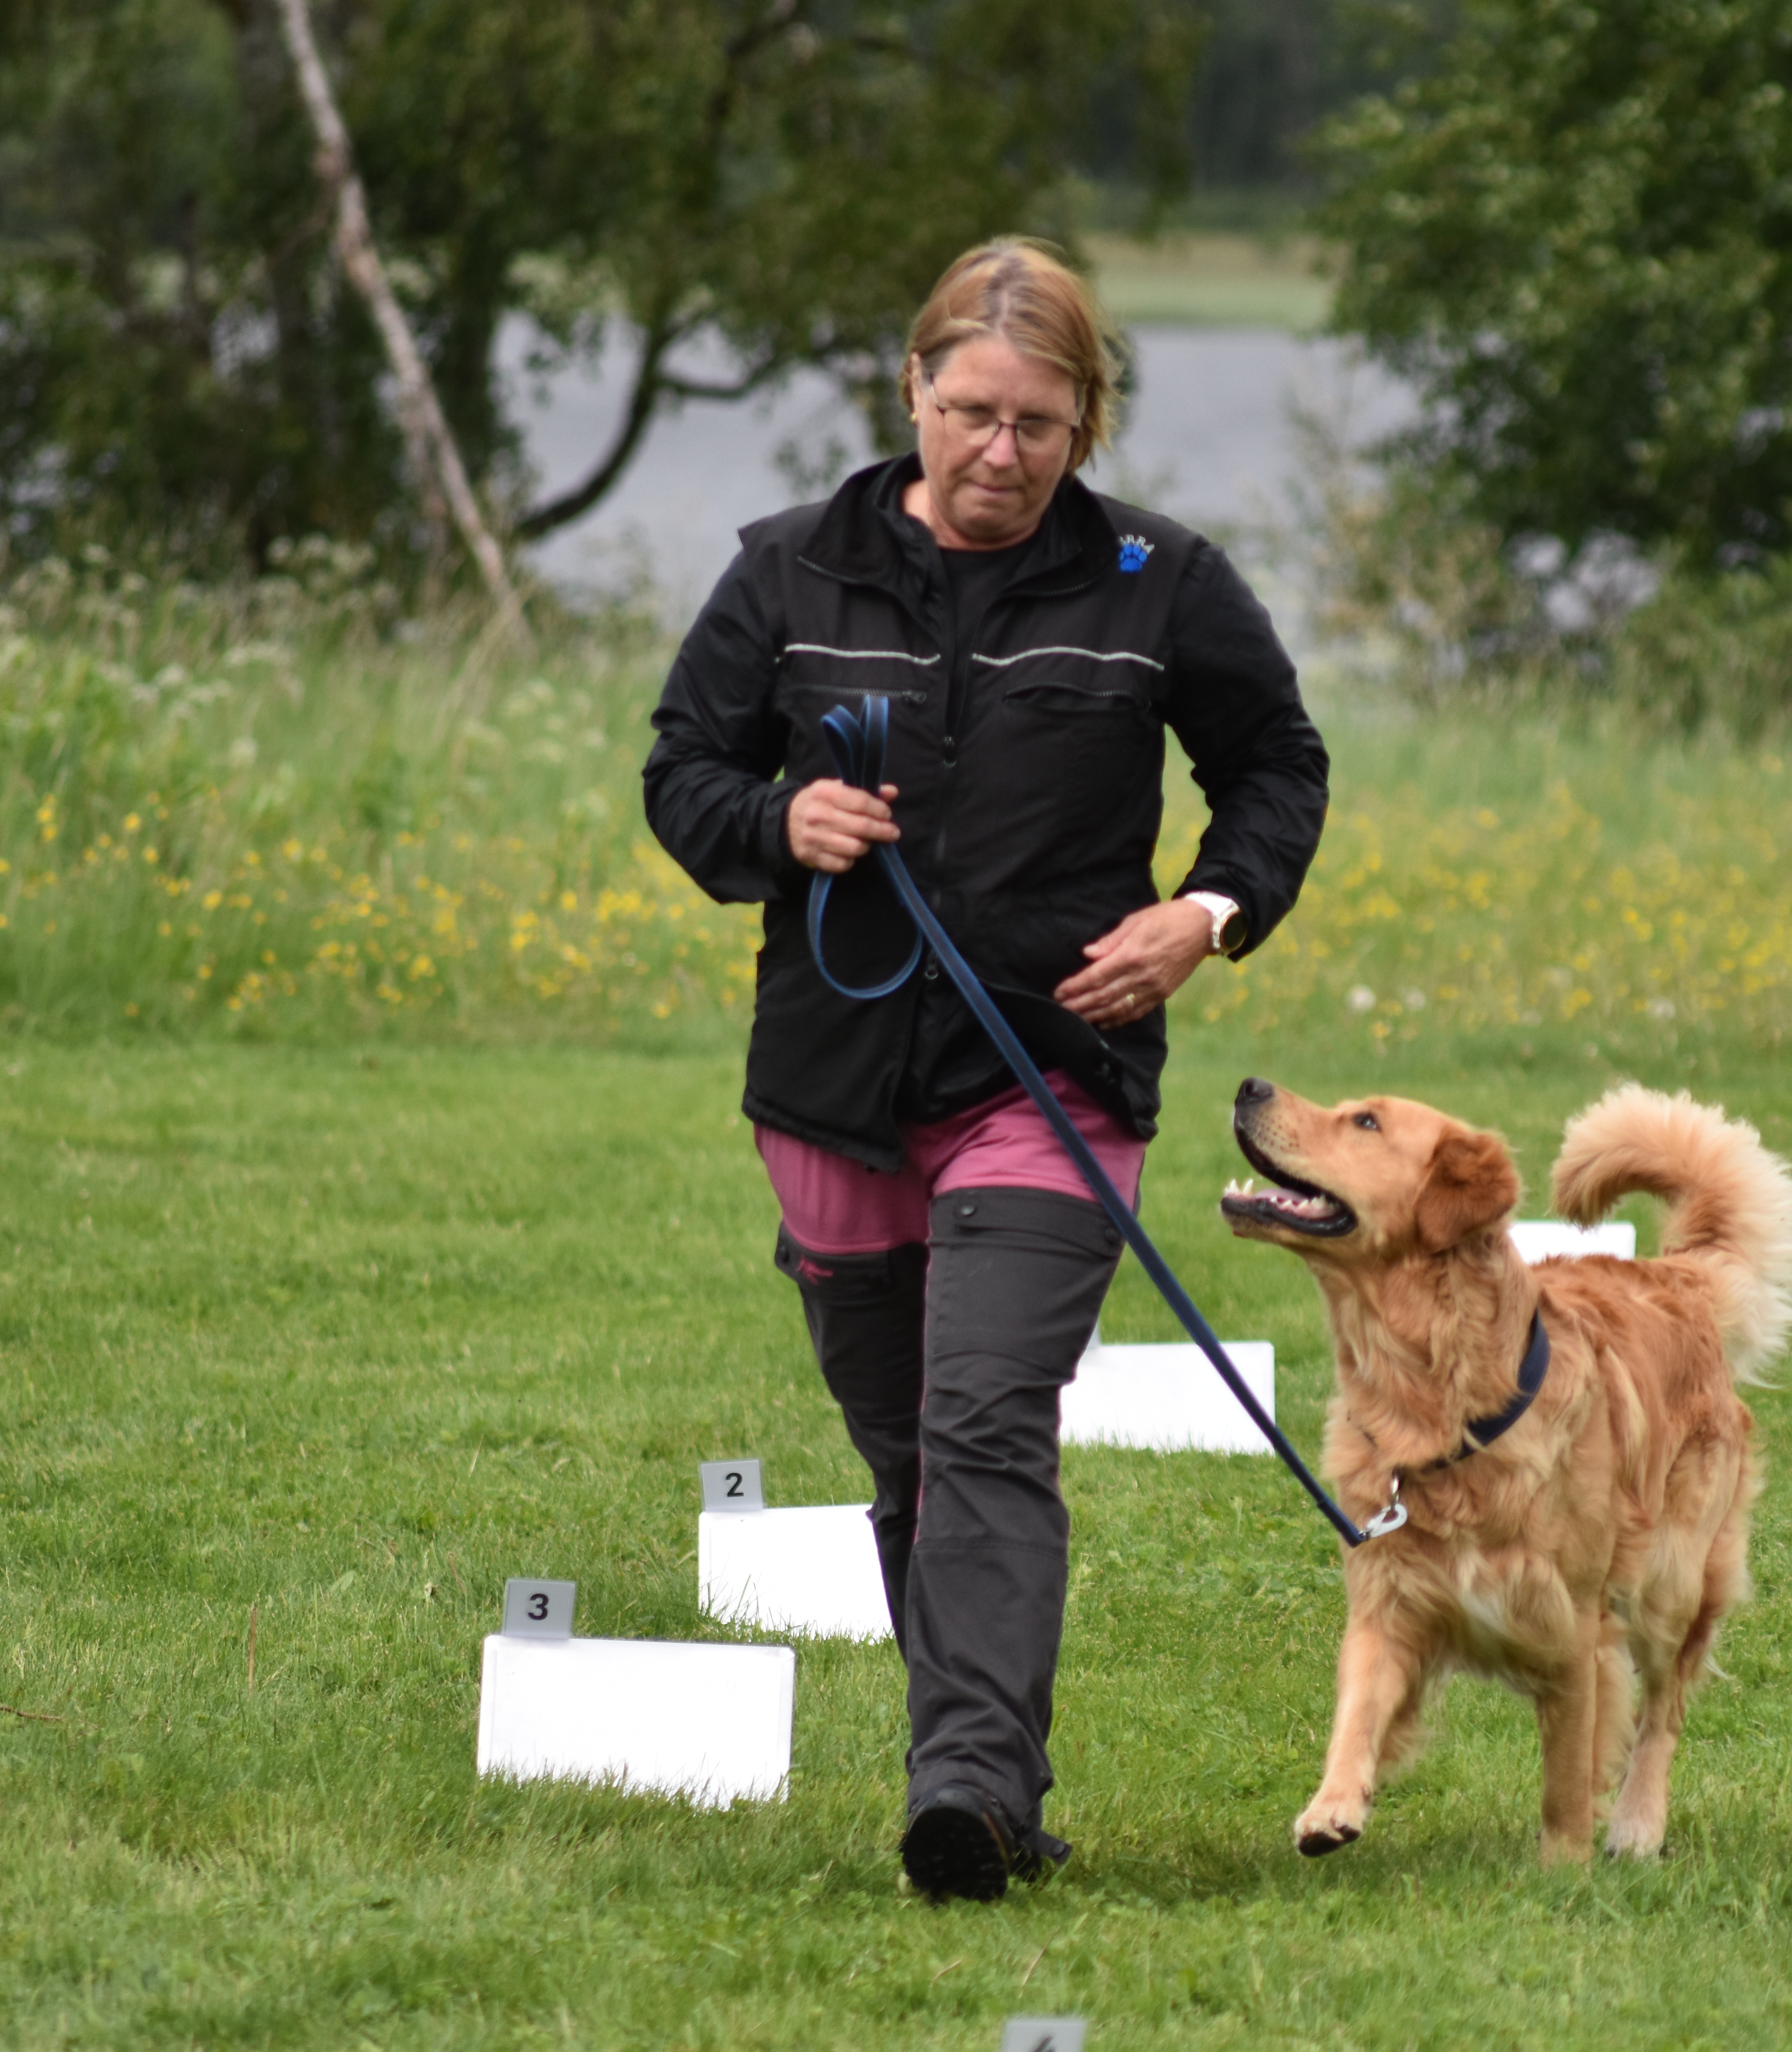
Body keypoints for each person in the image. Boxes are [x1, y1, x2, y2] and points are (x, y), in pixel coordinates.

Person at [643, 239, 1328, 1902]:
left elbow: (1275, 766)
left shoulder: (1164, 585)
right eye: (970, 413)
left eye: (1037, 421)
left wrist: (1206, 917)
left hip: (1053, 1073)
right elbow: (685, 774)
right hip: (831, 1080)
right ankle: (996, 1777)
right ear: (914, 395)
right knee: (908, 1457)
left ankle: (962, 1791)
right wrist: (777, 825)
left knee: (986, 1422)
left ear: (1088, 420)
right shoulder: (791, 571)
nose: (999, 452)